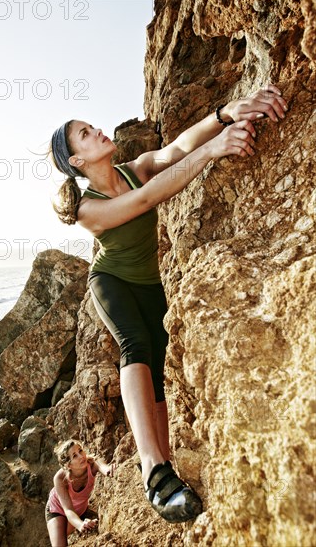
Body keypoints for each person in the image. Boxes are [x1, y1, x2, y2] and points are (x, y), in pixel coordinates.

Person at [48, 84, 288, 523]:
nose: (97, 130)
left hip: (148, 282)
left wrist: (225, 113)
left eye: (91, 125)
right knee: (135, 344)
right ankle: (153, 470)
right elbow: (145, 199)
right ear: (77, 162)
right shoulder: (87, 208)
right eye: (85, 133)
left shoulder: (134, 166)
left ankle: (167, 469)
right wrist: (216, 148)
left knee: (156, 369)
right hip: (112, 282)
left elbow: (177, 148)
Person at [45, 439, 114, 546]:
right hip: (57, 509)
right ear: (68, 465)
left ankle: (87, 514)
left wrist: (109, 470)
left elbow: (103, 467)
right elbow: (68, 510)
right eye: (74, 456)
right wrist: (80, 524)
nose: (81, 456)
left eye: (80, 451)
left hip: (79, 509)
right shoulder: (60, 478)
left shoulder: (92, 463)